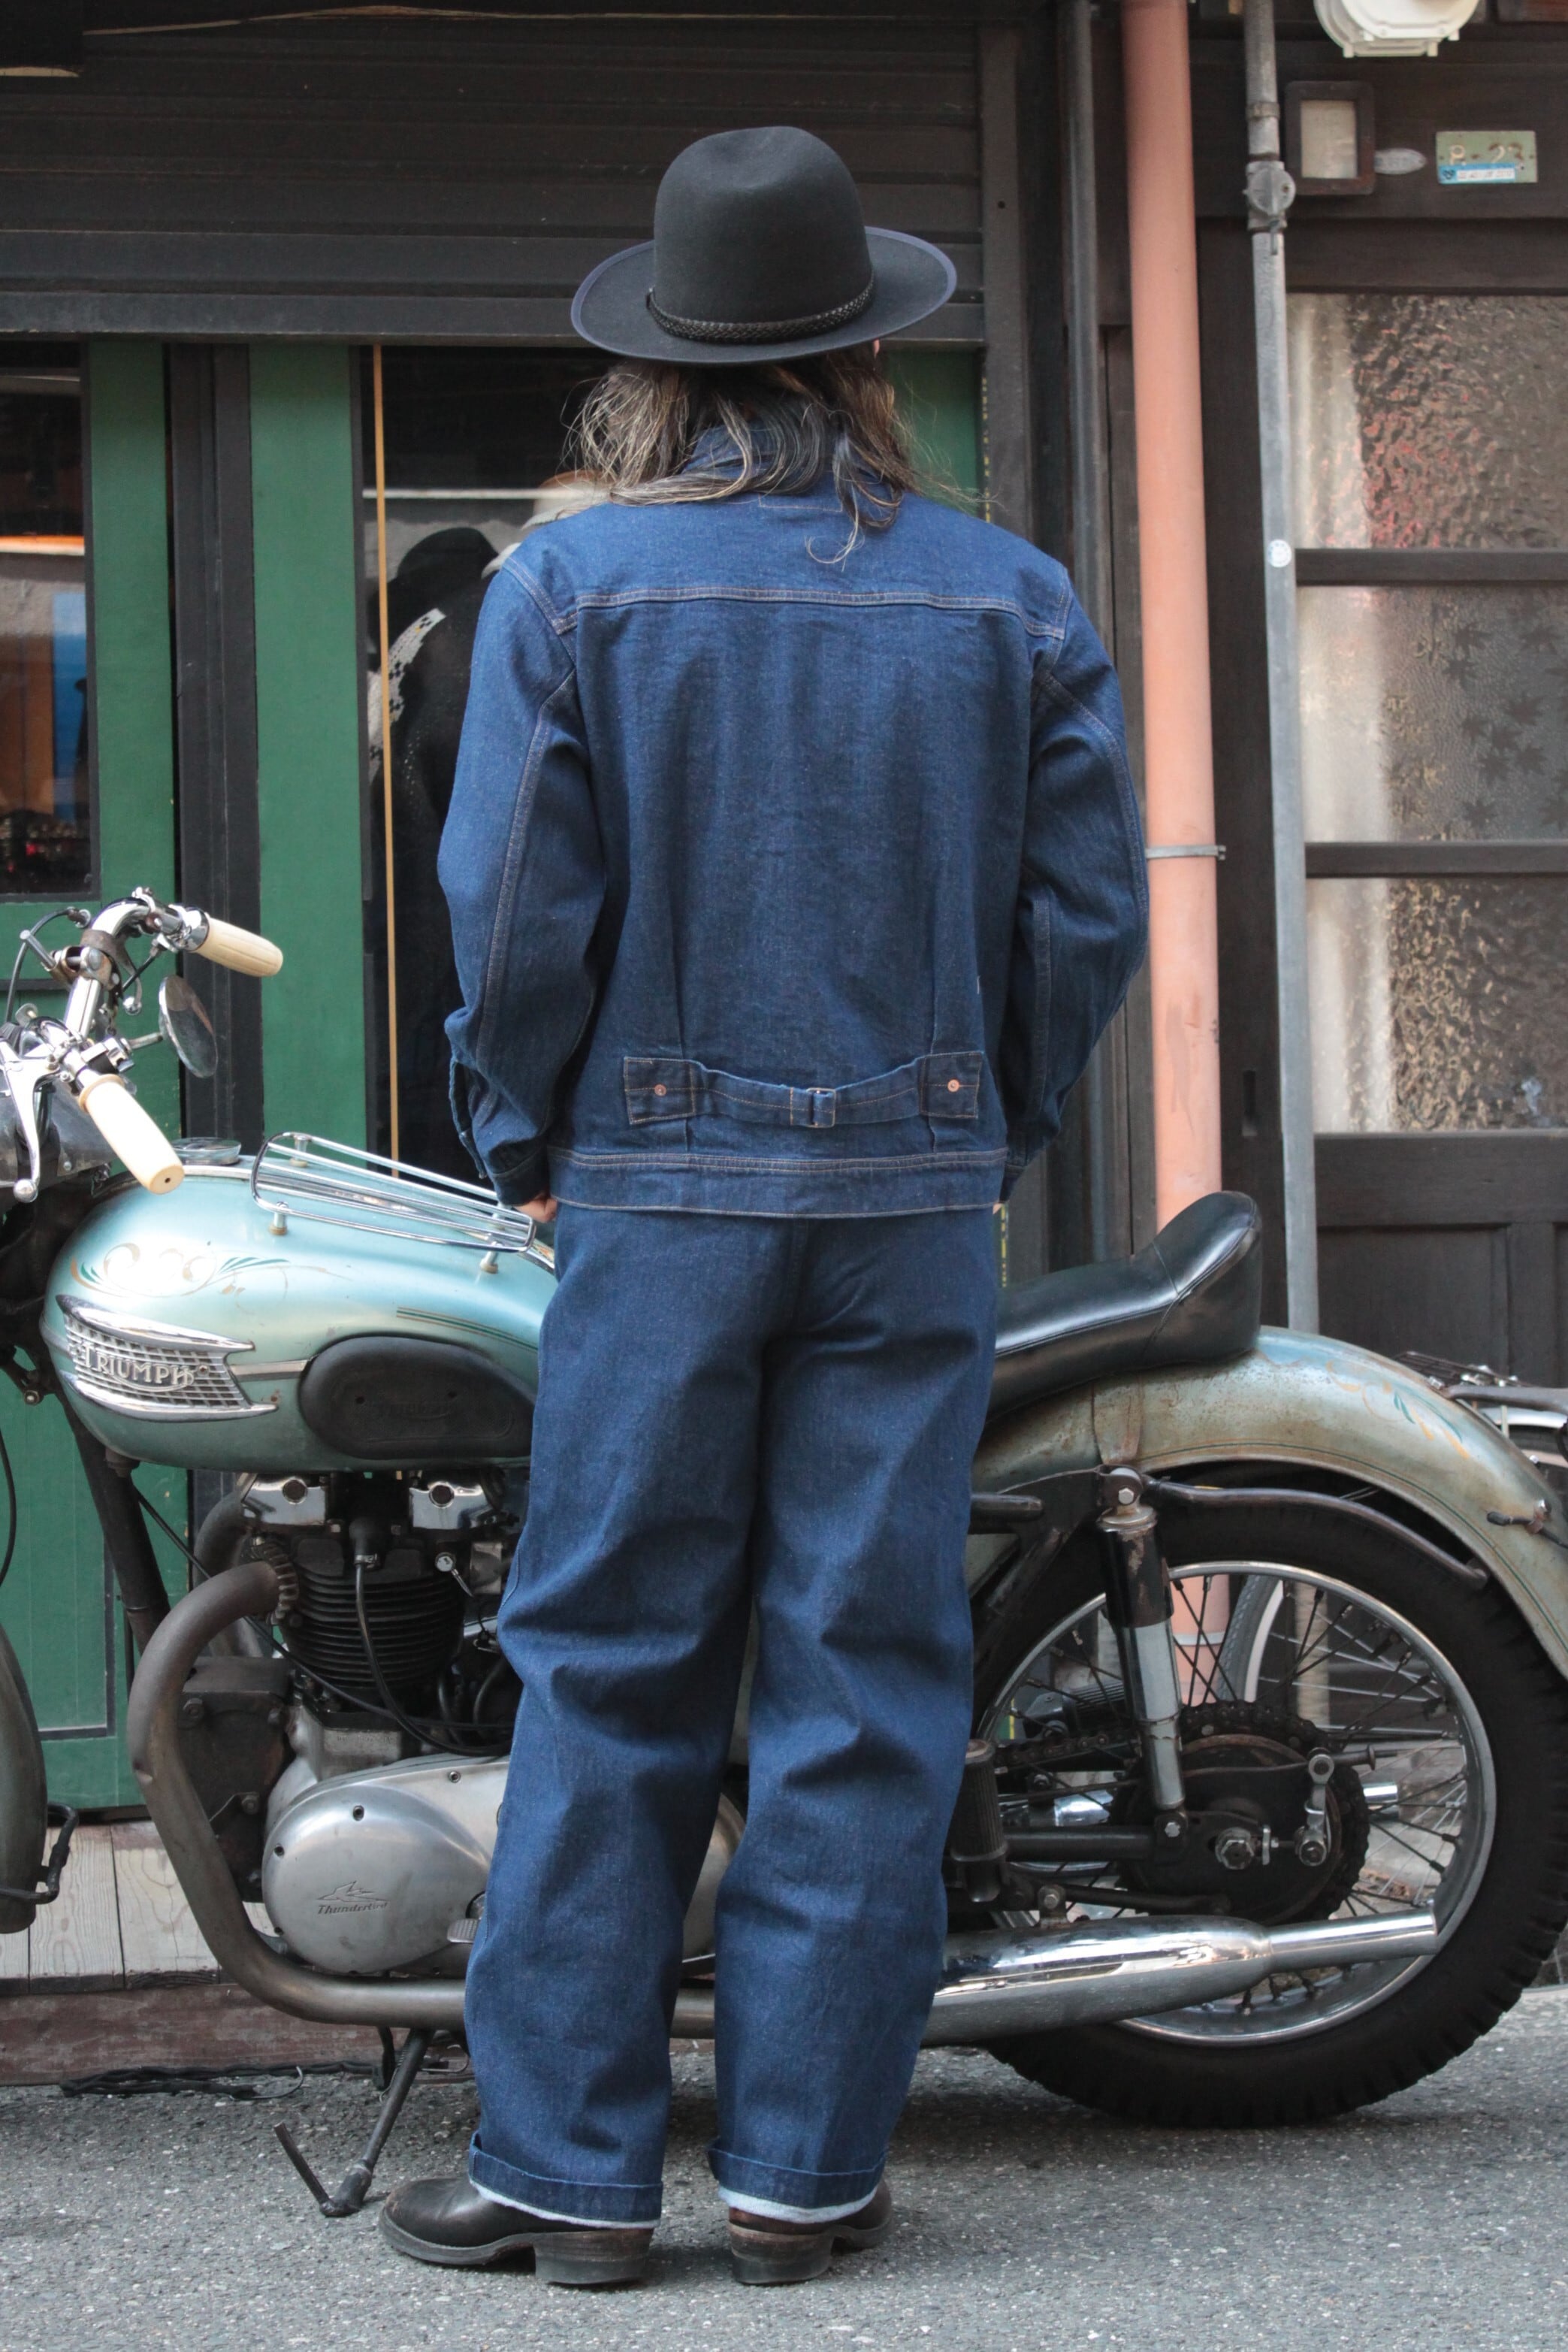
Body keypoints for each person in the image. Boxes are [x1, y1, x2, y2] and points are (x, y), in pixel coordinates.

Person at [380, 123, 1147, 2290]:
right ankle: (806, 2177)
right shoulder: (1011, 596)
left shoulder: (570, 591)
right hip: (908, 1201)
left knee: (612, 1666)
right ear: (865, 355)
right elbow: (1085, 919)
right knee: (865, 1679)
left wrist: (522, 1134)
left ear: (664, 369)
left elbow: (512, 913)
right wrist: (978, 1123)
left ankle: (570, 2177)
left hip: (654, 1195)